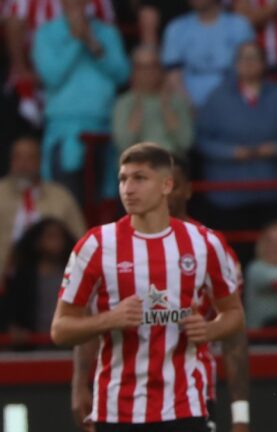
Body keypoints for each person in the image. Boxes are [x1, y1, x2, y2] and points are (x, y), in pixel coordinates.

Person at [51, 143, 245, 432]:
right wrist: (110, 319)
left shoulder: (204, 243)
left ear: (167, 185)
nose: (128, 189)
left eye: (139, 178)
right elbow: (60, 329)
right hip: (116, 409)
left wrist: (210, 330)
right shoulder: (96, 245)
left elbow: (234, 315)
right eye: (123, 179)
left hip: (185, 405)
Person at [196, 41, 277, 232]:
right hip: (229, 197)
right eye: (243, 58)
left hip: (276, 194)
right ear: (235, 64)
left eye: (254, 58)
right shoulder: (217, 97)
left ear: (264, 63)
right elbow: (201, 140)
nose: (248, 63)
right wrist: (230, 153)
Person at [31, 0, 130, 200]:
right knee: (65, 200)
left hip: (104, 128)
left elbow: (123, 75)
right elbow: (51, 76)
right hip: (63, 131)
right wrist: (76, 41)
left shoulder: (107, 33)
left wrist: (92, 43)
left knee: (104, 202)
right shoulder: (46, 34)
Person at [0, 136, 86, 284]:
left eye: (30, 158)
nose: (23, 164)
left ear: (40, 161)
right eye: (18, 157)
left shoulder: (61, 196)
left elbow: (81, 242)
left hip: (51, 279)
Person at [161, 0, 254, 107]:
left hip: (234, 102)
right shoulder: (176, 28)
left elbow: (250, 71)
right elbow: (173, 74)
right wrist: (187, 104)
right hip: (189, 103)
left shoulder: (240, 25)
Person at [112, 46, 194, 160]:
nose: (147, 73)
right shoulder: (124, 103)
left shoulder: (177, 102)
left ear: (161, 69)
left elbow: (185, 143)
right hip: (138, 163)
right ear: (133, 71)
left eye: (153, 66)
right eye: (141, 67)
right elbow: (123, 145)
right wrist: (137, 106)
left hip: (171, 163)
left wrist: (166, 107)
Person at [3, 218, 76, 341]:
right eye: (51, 237)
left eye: (60, 237)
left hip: (65, 344)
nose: (57, 242)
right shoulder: (23, 277)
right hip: (32, 345)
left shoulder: (73, 274)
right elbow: (9, 310)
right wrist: (14, 329)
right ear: (38, 242)